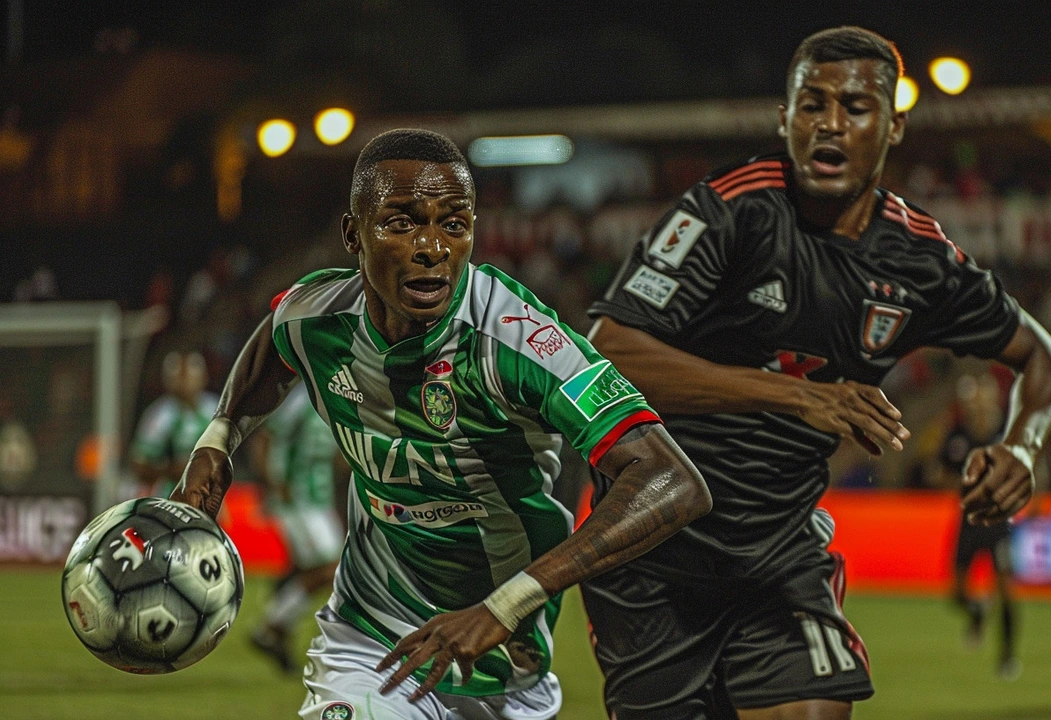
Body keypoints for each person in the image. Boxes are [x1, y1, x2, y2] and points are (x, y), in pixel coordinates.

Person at [584, 26, 1051, 719]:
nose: (830, 124)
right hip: (653, 551)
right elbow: (606, 348)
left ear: (894, 125)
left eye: (855, 106)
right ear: (785, 118)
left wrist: (1023, 444)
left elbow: (1045, 358)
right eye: (812, 105)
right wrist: (792, 397)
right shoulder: (732, 209)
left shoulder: (919, 261)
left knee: (816, 708)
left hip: (777, 554)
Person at [171, 128, 712, 720]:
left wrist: (505, 606)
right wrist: (218, 439)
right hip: (368, 640)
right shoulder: (316, 315)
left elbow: (671, 478)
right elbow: (272, 346)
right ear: (353, 233)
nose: (432, 246)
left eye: (454, 224)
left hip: (505, 661)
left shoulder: (522, 342)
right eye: (402, 222)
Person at [248, 382, 349, 674]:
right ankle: (272, 624)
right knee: (331, 569)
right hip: (297, 498)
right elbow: (265, 438)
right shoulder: (302, 399)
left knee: (328, 573)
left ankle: (276, 630)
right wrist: (273, 483)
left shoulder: (340, 402)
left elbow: (336, 456)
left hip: (320, 498)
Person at [935, 373, 1020, 679]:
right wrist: (962, 482)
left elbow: (1028, 467)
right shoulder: (957, 435)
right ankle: (977, 612)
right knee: (956, 592)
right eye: (972, 401)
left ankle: (1008, 657)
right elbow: (940, 473)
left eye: (982, 399)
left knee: (1006, 590)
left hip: (998, 521)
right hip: (968, 521)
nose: (977, 406)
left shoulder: (1005, 433)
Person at [129, 350, 218, 498]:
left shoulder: (215, 409)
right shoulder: (159, 415)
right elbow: (139, 462)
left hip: (209, 492)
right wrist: (169, 470)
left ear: (203, 378)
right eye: (178, 377)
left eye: (189, 377)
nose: (184, 383)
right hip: (169, 495)